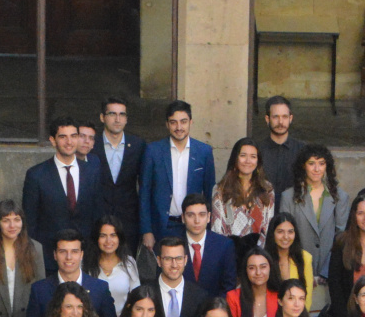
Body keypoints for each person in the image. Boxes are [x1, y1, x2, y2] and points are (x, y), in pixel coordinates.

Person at [24, 116, 106, 272]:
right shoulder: (36, 175)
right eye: (63, 137)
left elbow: (98, 214)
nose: (69, 142)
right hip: (49, 258)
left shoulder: (92, 172)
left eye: (74, 136)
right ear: (53, 140)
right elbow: (30, 221)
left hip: (85, 256)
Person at [140, 100, 216, 249]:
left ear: (191, 122)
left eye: (183, 122)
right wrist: (146, 230)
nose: (179, 127)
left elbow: (209, 192)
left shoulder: (204, 152)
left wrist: (208, 227)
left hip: (194, 226)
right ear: (167, 124)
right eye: (173, 122)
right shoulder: (153, 151)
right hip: (162, 226)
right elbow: (144, 192)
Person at [22, 229, 120, 317]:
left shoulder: (100, 289)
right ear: (55, 255)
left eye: (74, 251)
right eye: (63, 251)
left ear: (81, 254)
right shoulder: (39, 290)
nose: (69, 257)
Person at [290, 145, 347, 315]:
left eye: (321, 164)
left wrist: (325, 271)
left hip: (329, 275)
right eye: (311, 163)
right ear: (303, 166)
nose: (317, 169)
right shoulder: (289, 196)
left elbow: (341, 235)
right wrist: (303, 268)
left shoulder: (340, 197)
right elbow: (285, 236)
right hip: (297, 270)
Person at [92, 96, 146, 233]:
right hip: (98, 220)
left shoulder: (138, 146)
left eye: (122, 114)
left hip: (129, 221)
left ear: (126, 119)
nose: (117, 119)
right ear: (102, 117)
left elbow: (145, 184)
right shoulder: (92, 145)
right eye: (112, 114)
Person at [210, 137, 275, 248]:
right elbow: (217, 229)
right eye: (243, 155)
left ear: (258, 161)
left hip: (257, 256)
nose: (248, 161)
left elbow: (268, 227)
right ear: (235, 158)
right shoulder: (220, 190)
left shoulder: (267, 190)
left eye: (253, 157)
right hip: (229, 253)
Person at [154, 237, 210, 317]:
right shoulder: (146, 293)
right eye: (168, 259)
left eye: (179, 258)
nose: (174, 265)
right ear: (159, 261)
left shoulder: (200, 296)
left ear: (185, 260)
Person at [179, 195, 239, 296]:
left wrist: (216, 309)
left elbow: (229, 286)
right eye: (190, 215)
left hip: (214, 308)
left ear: (208, 217)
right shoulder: (171, 244)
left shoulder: (224, 245)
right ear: (183, 218)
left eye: (202, 215)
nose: (197, 221)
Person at [92, 216, 149, 317]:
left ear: (119, 238)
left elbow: (137, 298)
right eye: (103, 236)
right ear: (96, 238)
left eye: (113, 235)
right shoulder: (85, 264)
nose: (108, 241)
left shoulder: (129, 263)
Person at [226, 248, 278, 317]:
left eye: (263, 267)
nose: (258, 272)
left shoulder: (279, 297)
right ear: (246, 271)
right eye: (252, 268)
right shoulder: (233, 297)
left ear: (270, 268)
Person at [265, 213, 314, 310]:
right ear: (272, 233)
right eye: (280, 232)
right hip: (270, 316)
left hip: (297, 316)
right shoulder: (264, 258)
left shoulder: (305, 258)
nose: (286, 237)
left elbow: (307, 297)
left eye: (290, 232)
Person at [257, 95, 302, 197]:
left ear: (290, 118)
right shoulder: (257, 150)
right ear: (267, 119)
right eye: (275, 117)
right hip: (264, 209)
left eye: (284, 117)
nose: (280, 122)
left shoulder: (302, 150)